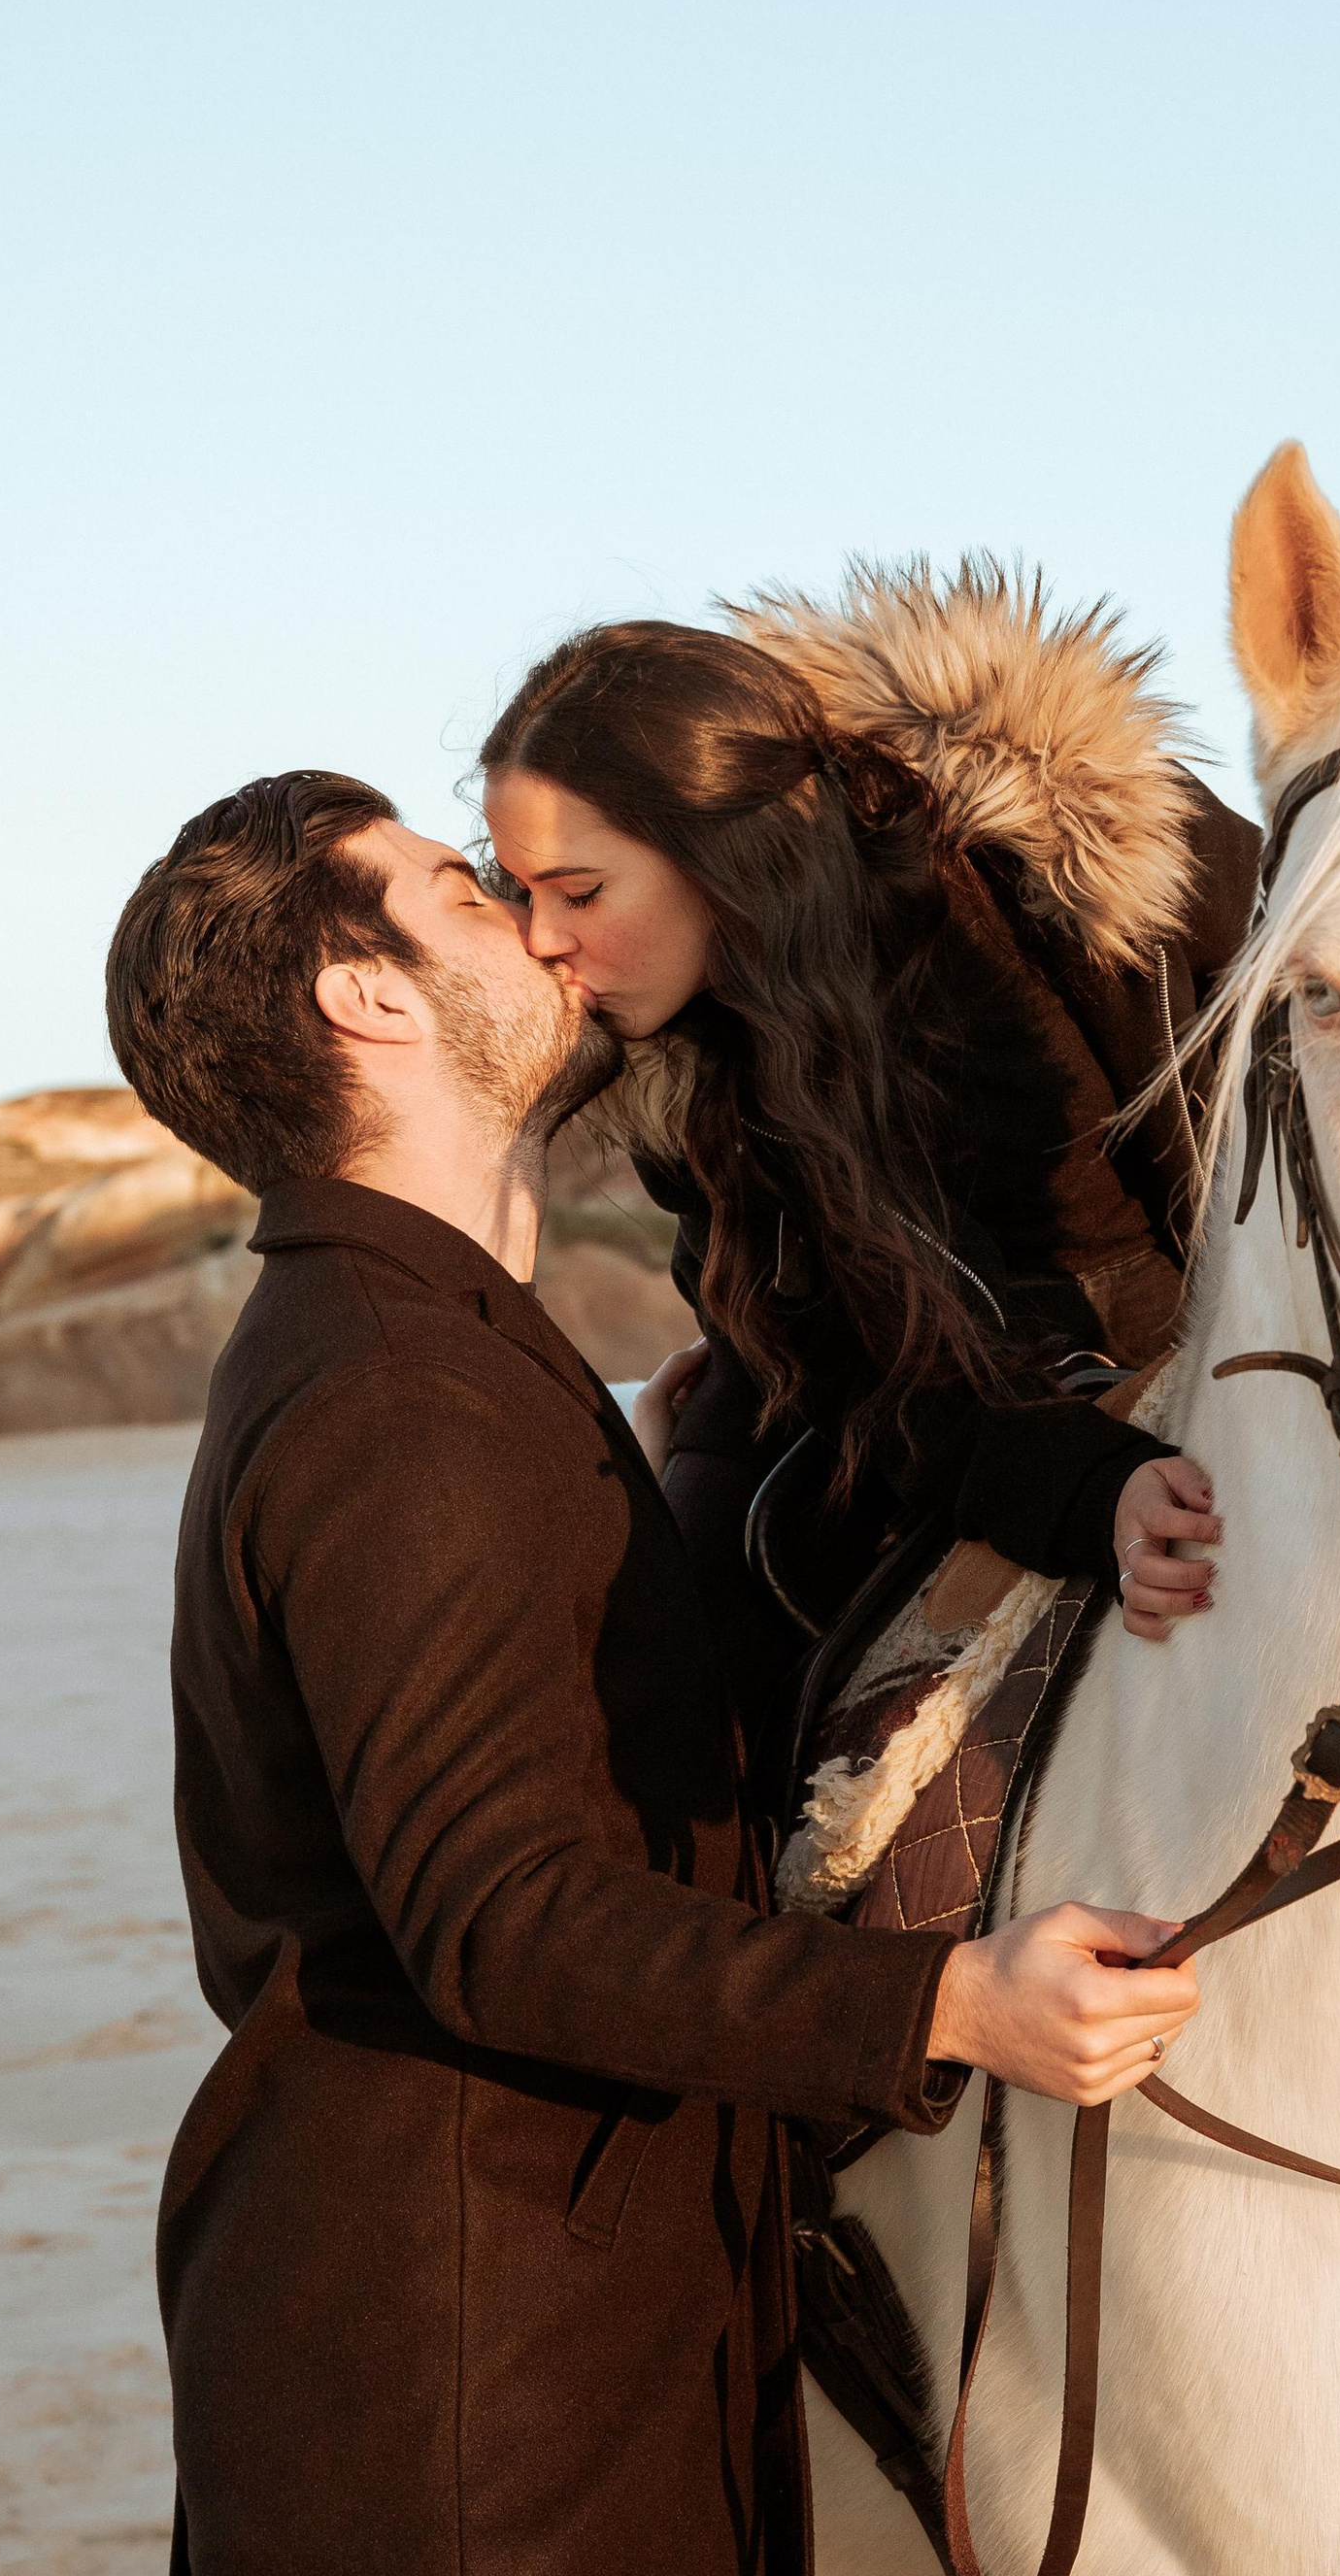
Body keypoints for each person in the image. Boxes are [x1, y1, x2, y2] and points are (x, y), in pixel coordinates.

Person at [105, 770, 1197, 2576]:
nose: (536, 921)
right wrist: (952, 2006)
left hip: (509, 2317)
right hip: (477, 2399)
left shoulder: (418, 1351)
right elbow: (506, 1915)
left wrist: (678, 1477)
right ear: (365, 997)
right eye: (462, 894)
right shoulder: (399, 1395)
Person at [475, 564, 1262, 1735]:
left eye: (580, 889)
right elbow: (883, 1369)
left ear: (719, 847)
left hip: (1238, 1343)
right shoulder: (693, 1069)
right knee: (670, 1684)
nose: (541, 939)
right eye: (519, 889)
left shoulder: (1070, 876)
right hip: (918, 1427)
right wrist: (1089, 1486)